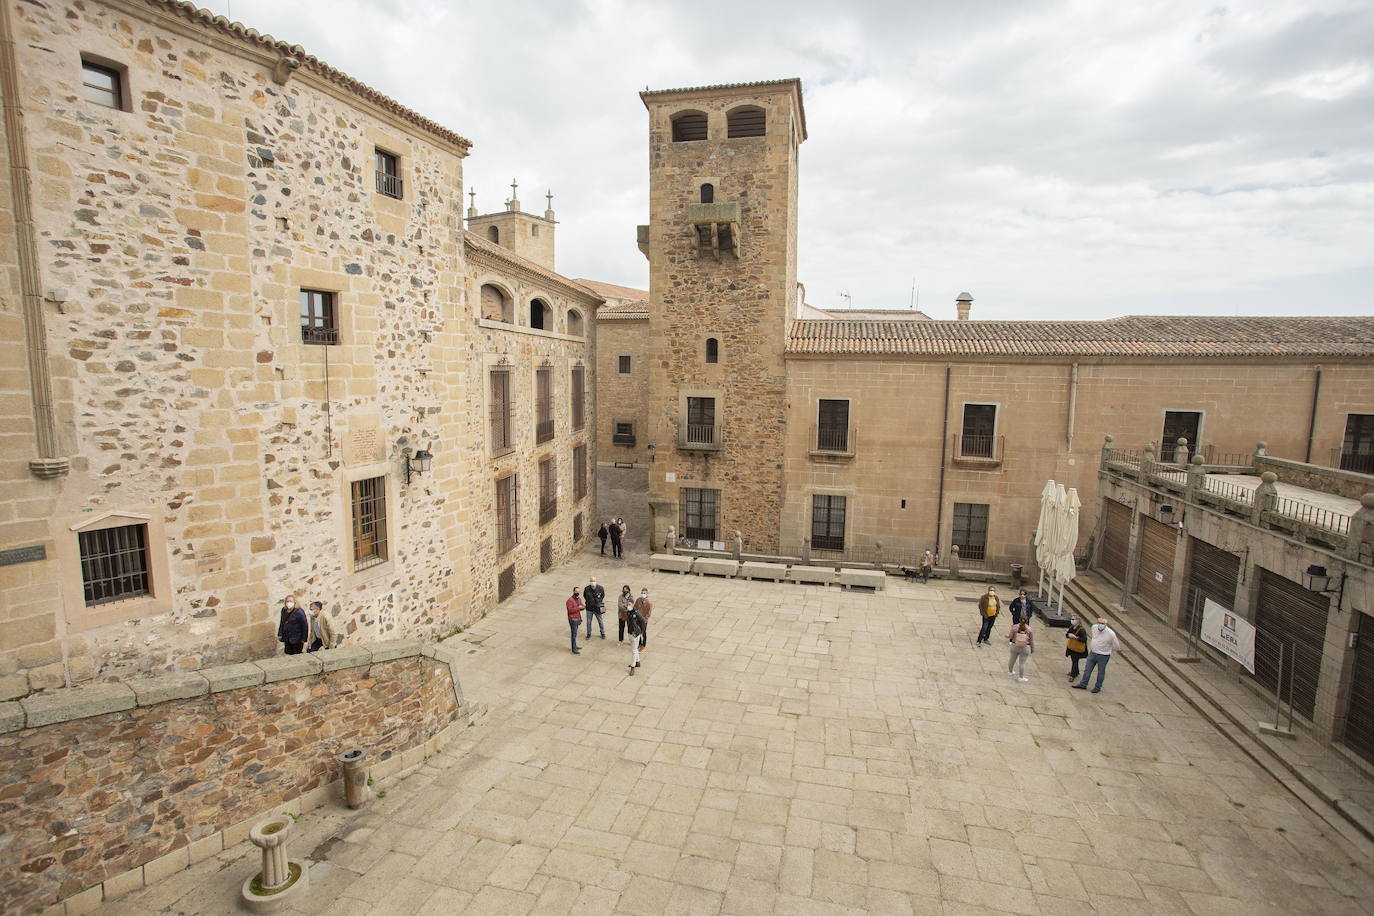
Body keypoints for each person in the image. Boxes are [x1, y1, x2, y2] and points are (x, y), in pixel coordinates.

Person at [1073, 618, 1121, 693]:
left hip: (1103, 656)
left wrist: (1107, 650)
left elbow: (1117, 646)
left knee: (1100, 672)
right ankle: (1083, 684)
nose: (1100, 625)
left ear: (1106, 625)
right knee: (1087, 669)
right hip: (1093, 653)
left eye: (1102, 624)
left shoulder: (1111, 634)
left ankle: (1098, 687)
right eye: (1099, 623)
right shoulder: (1094, 627)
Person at [1064, 616, 1088, 681]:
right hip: (1072, 647)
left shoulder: (1081, 630)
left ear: (1078, 621)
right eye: (1071, 619)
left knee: (1075, 661)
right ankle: (1076, 672)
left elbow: (1084, 639)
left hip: (1077, 648)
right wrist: (1068, 635)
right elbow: (1067, 634)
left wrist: (1076, 637)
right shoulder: (1072, 627)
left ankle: (1073, 675)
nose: (1072, 620)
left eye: (1073, 619)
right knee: (1074, 660)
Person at [626, 598, 644, 675]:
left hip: (635, 634)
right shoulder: (629, 611)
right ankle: (638, 662)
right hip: (631, 633)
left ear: (633, 604)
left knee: (633, 651)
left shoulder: (636, 613)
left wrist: (641, 631)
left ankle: (633, 667)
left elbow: (642, 621)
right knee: (635, 649)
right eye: (627, 604)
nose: (628, 605)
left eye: (629, 604)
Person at [566, 587, 585, 655]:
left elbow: (582, 606)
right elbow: (570, 610)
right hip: (573, 619)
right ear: (573, 591)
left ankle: (575, 646)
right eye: (576, 591)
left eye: (578, 592)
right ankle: (573, 649)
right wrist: (578, 608)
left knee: (575, 633)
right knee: (573, 634)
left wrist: (583, 607)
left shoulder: (579, 599)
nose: (577, 593)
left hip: (577, 618)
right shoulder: (570, 600)